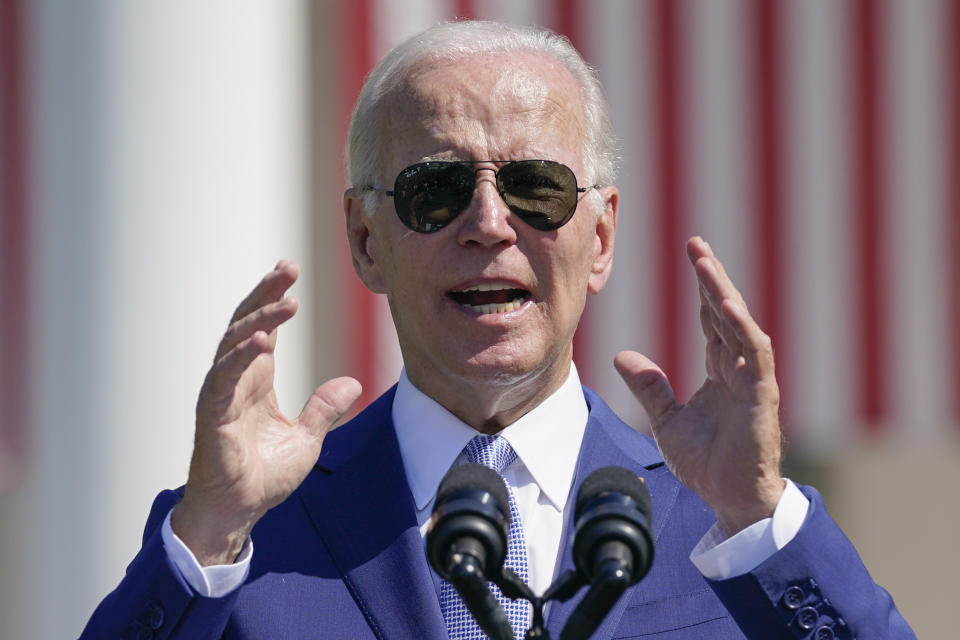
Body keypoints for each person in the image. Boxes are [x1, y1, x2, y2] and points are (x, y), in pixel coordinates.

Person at [81, 20, 914, 640]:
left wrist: (761, 516)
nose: (487, 223)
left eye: (536, 187)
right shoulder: (249, 531)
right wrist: (210, 531)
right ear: (367, 241)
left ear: (603, 238)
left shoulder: (722, 516)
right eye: (435, 189)